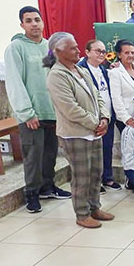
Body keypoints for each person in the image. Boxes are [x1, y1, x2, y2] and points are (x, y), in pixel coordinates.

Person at [4, 6, 71, 213]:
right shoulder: (16, 48)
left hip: (51, 110)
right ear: (22, 24)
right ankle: (31, 193)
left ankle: (47, 186)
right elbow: (15, 82)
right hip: (32, 113)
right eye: (29, 20)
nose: (34, 24)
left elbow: (57, 76)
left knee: (50, 153)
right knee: (33, 155)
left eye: (37, 19)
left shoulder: (49, 47)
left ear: (42, 22)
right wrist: (27, 113)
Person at [44, 32, 113, 228]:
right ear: (58, 51)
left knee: (95, 173)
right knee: (82, 175)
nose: (77, 50)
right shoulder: (56, 76)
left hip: (93, 131)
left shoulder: (79, 69)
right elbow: (70, 109)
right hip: (75, 133)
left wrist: (104, 118)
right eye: (72, 47)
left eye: (76, 46)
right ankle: (82, 214)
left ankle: (94, 207)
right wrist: (95, 123)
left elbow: (97, 95)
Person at [78, 39, 122, 193]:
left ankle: (107, 177)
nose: (102, 54)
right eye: (98, 51)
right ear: (87, 52)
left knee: (107, 147)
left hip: (107, 115)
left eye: (104, 51)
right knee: (93, 152)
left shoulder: (104, 69)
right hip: (91, 118)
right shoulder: (80, 70)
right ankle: (94, 182)